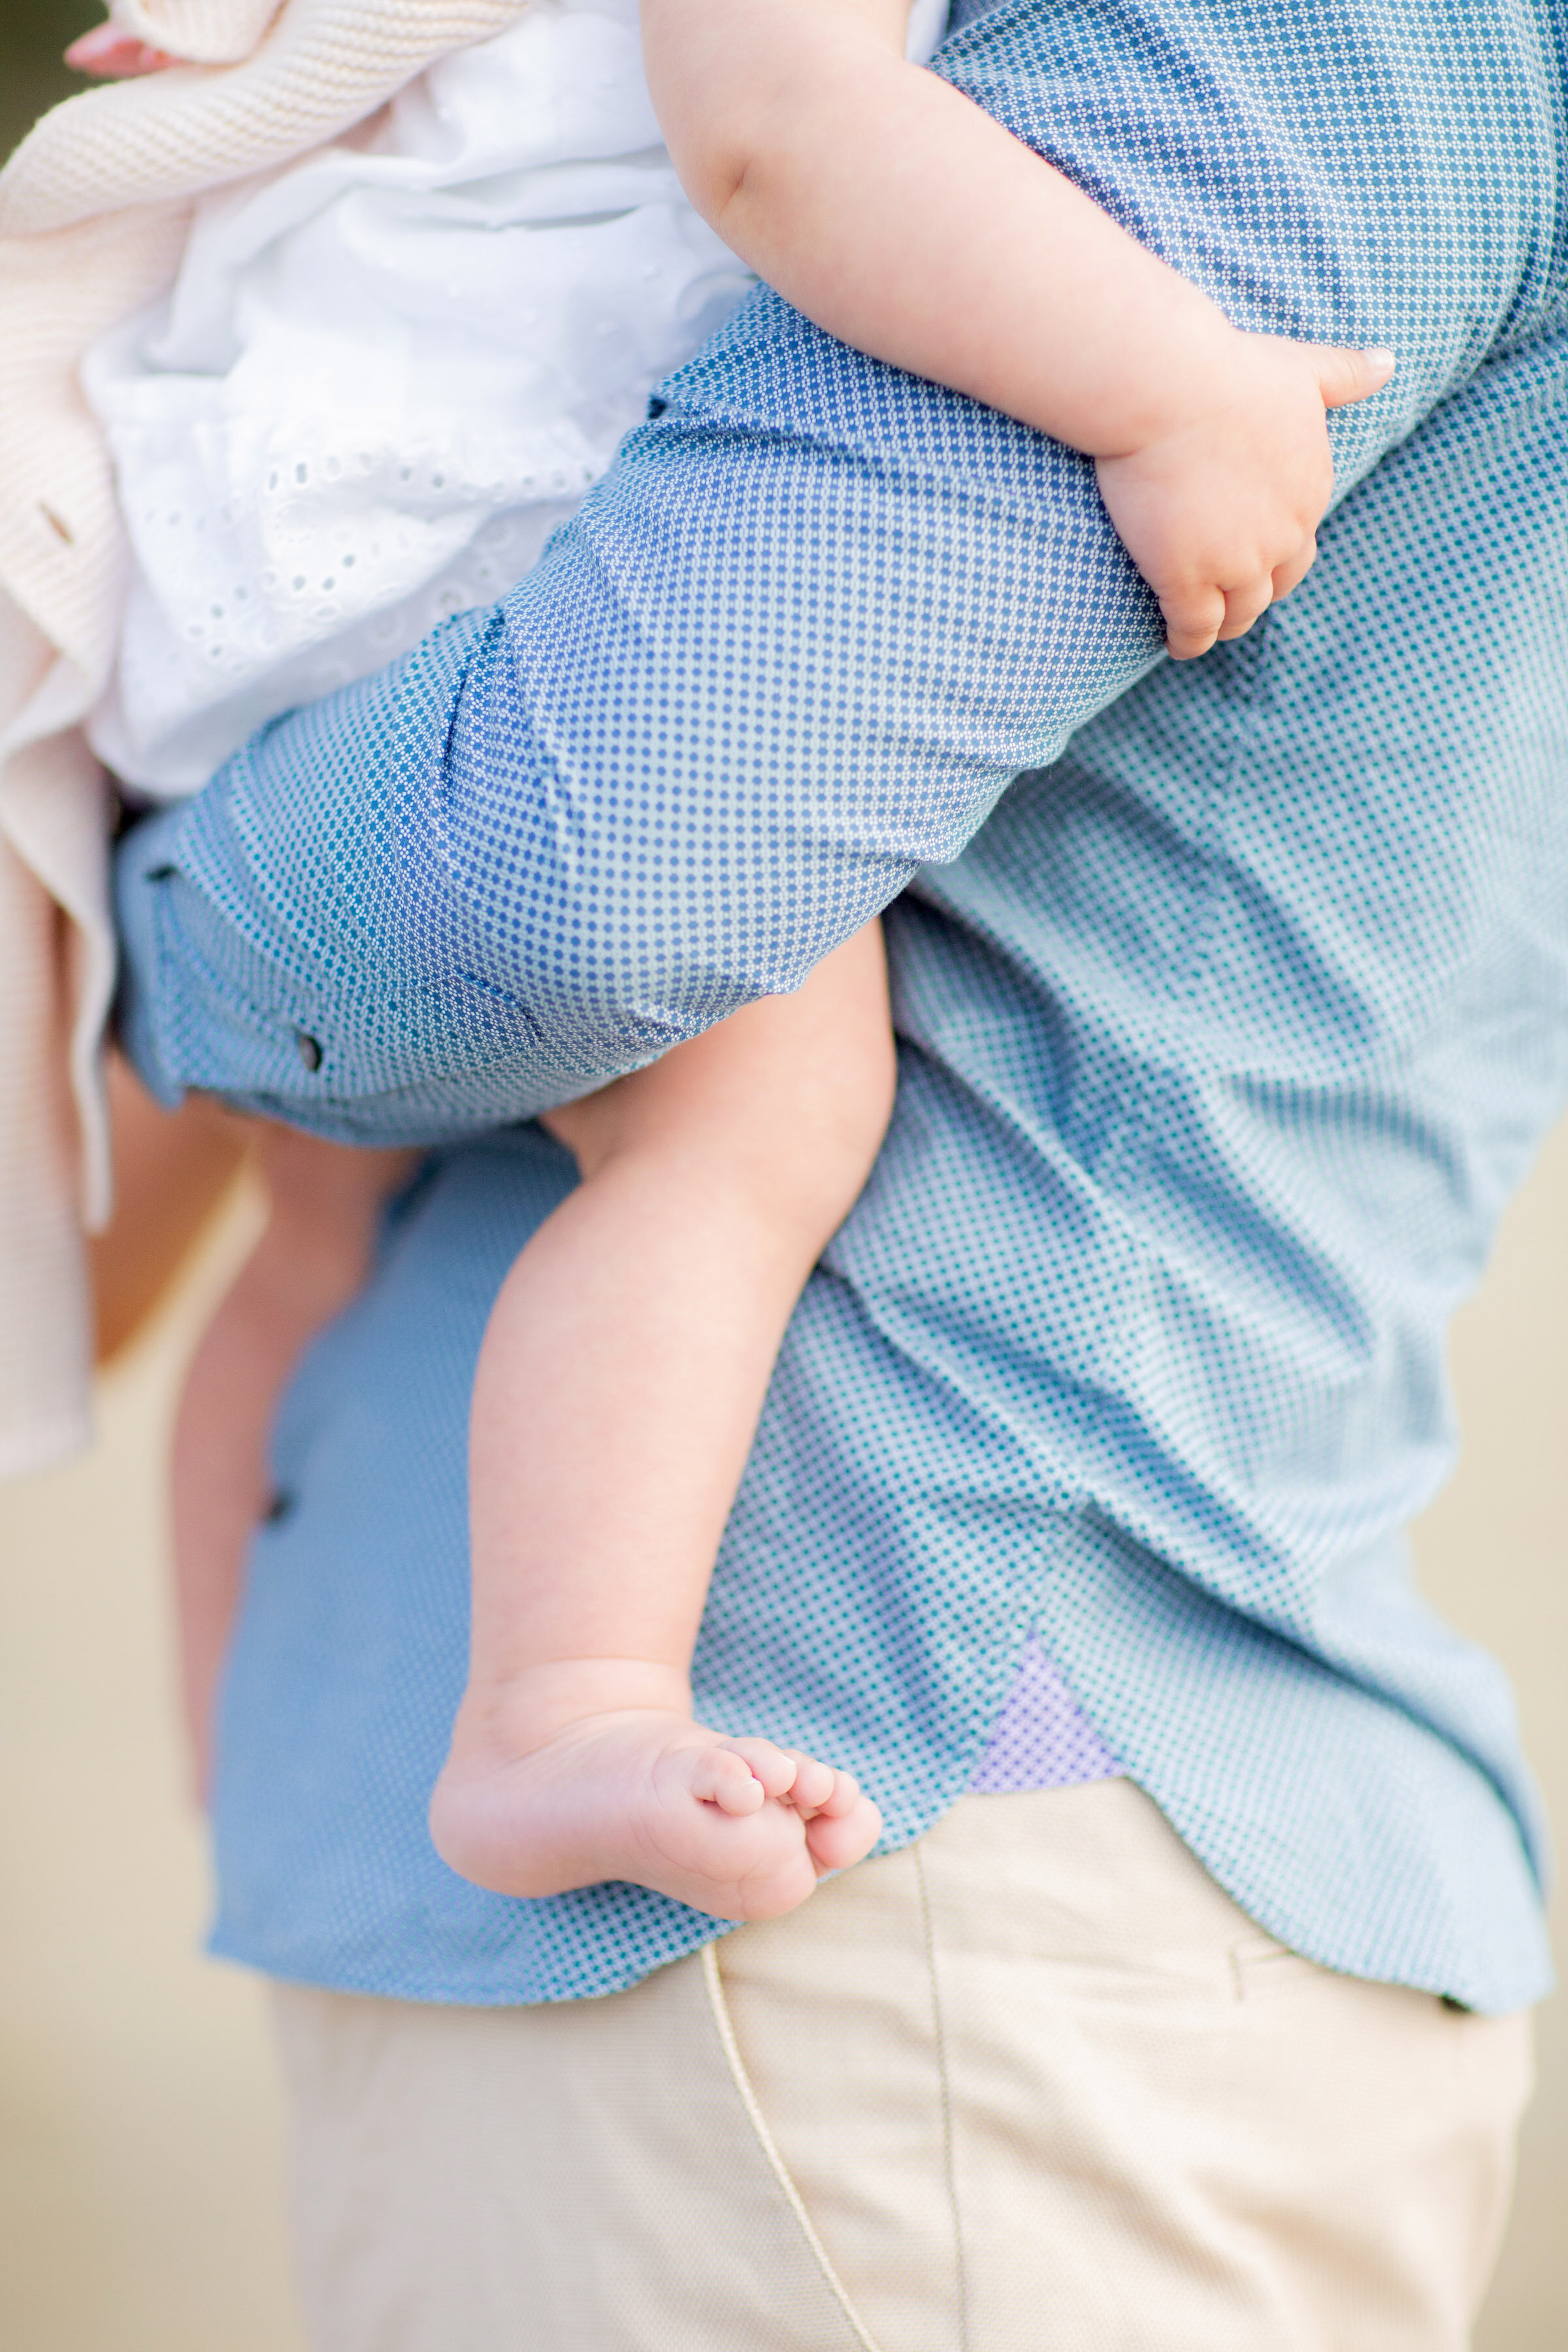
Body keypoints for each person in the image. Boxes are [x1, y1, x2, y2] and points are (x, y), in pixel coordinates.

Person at [111, 0, 1563, 2342]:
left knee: (422, 1202)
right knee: (718, 1117)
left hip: (891, 1897)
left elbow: (593, 874)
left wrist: (149, 934)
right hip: (837, 1946)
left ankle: (435, 1722)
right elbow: (612, 874)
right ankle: (487, 1714)